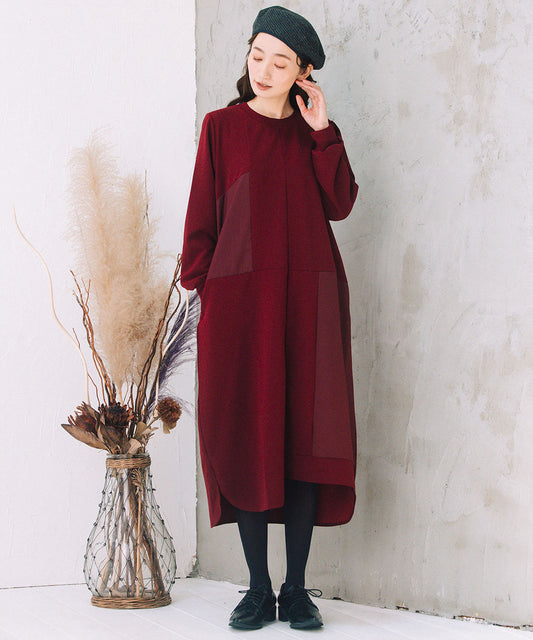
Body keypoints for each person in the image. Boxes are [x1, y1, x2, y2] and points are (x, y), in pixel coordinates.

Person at [180, 5, 358, 631]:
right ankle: (257, 588)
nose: (264, 69)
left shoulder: (314, 134)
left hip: (310, 306)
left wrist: (323, 131)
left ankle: (296, 589)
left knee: (306, 439)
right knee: (248, 434)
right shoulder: (221, 127)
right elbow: (201, 221)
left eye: (280, 62)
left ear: (303, 72)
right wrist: (207, 294)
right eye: (257, 55)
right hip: (241, 310)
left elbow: (341, 203)